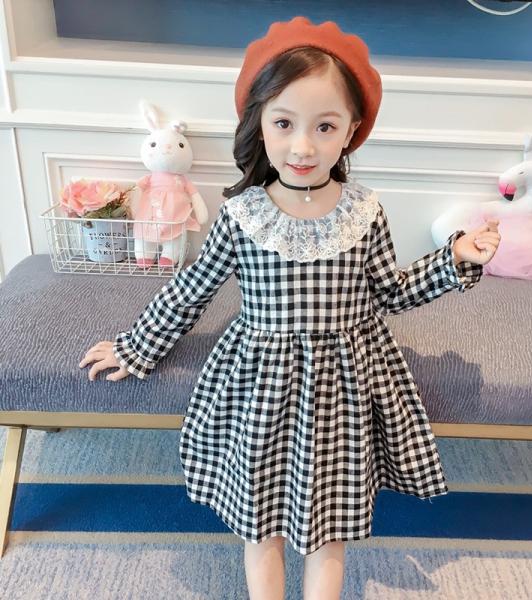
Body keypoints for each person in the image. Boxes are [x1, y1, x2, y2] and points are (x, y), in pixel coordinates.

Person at [79, 16, 501, 600]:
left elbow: (392, 291)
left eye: (325, 126)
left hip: (345, 391)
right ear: (259, 123)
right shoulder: (242, 214)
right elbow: (193, 288)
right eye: (284, 123)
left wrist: (454, 258)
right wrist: (135, 347)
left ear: (351, 130)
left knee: (331, 532)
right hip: (262, 388)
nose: (303, 146)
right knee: (262, 527)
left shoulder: (364, 212)